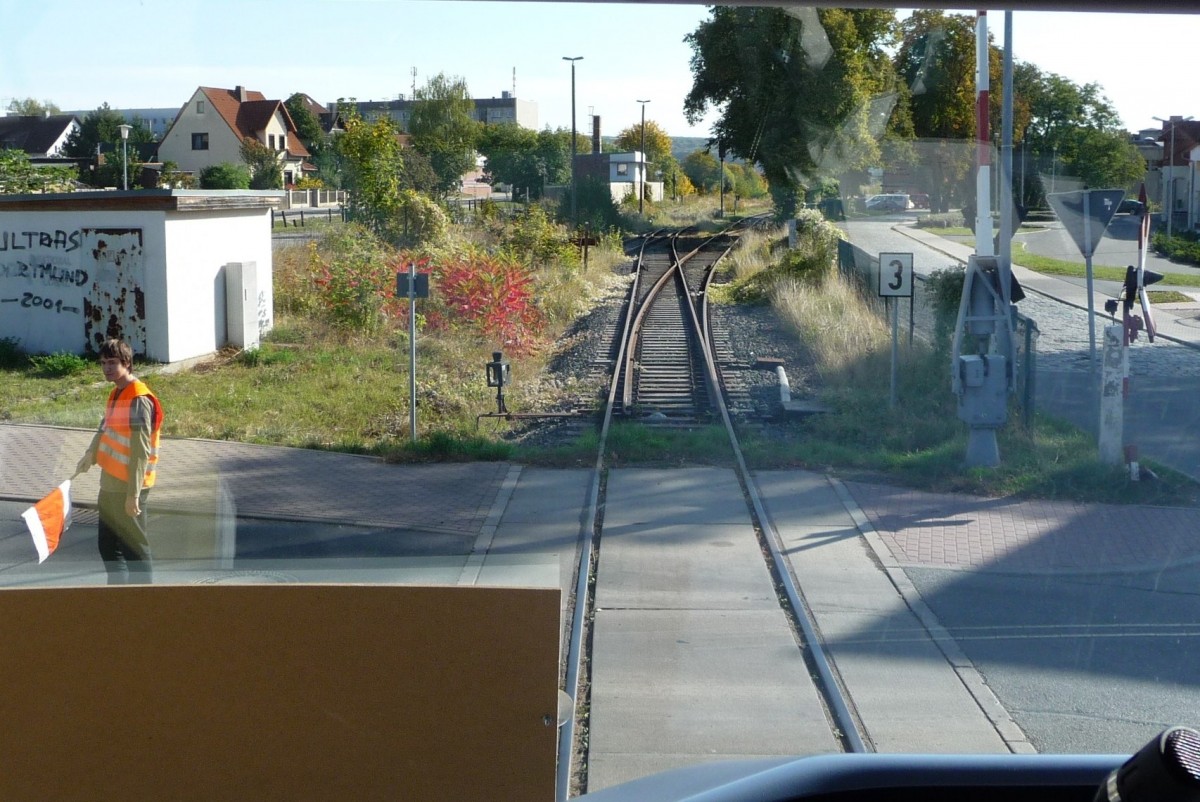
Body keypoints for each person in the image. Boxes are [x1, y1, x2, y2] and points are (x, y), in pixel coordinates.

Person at [76, 338, 164, 585]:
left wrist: (133, 495)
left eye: (112, 362)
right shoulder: (116, 393)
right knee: (108, 547)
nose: (106, 368)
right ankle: (118, 596)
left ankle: (143, 598)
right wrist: (90, 454)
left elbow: (140, 452)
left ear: (127, 363)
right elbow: (106, 427)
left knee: (134, 549)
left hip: (129, 487)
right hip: (110, 484)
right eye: (103, 363)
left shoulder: (138, 399)